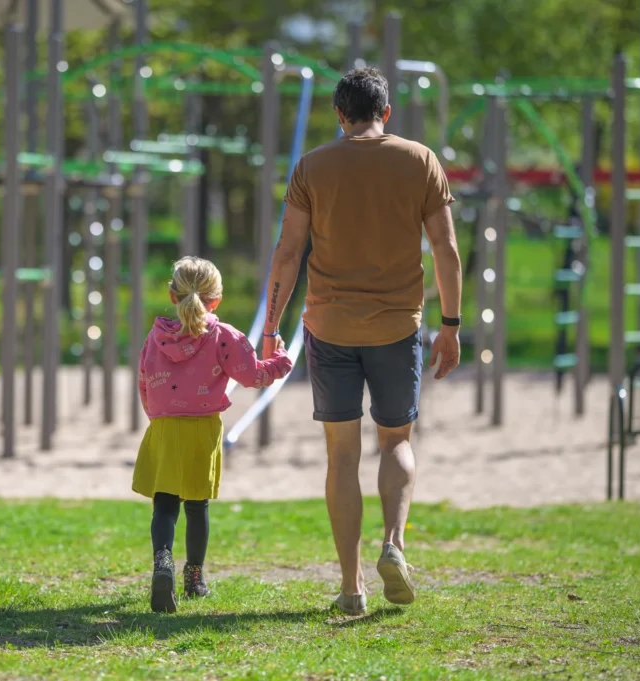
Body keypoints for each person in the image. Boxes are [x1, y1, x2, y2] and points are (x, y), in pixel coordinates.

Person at [260, 67, 463, 615]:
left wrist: (271, 325)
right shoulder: (421, 161)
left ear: (340, 115)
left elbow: (287, 252)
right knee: (396, 439)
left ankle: (351, 588)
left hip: (328, 327)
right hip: (397, 327)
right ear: (387, 113)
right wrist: (451, 325)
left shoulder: (312, 167)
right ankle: (394, 544)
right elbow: (445, 248)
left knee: (341, 454)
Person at [132, 256, 293, 614]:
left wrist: (156, 416)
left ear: (173, 296)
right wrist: (281, 358)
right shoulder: (223, 336)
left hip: (164, 425)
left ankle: (163, 564)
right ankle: (194, 579)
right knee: (197, 504)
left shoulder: (157, 336)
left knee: (164, 505)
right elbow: (252, 376)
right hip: (203, 428)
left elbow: (144, 379)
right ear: (216, 300)